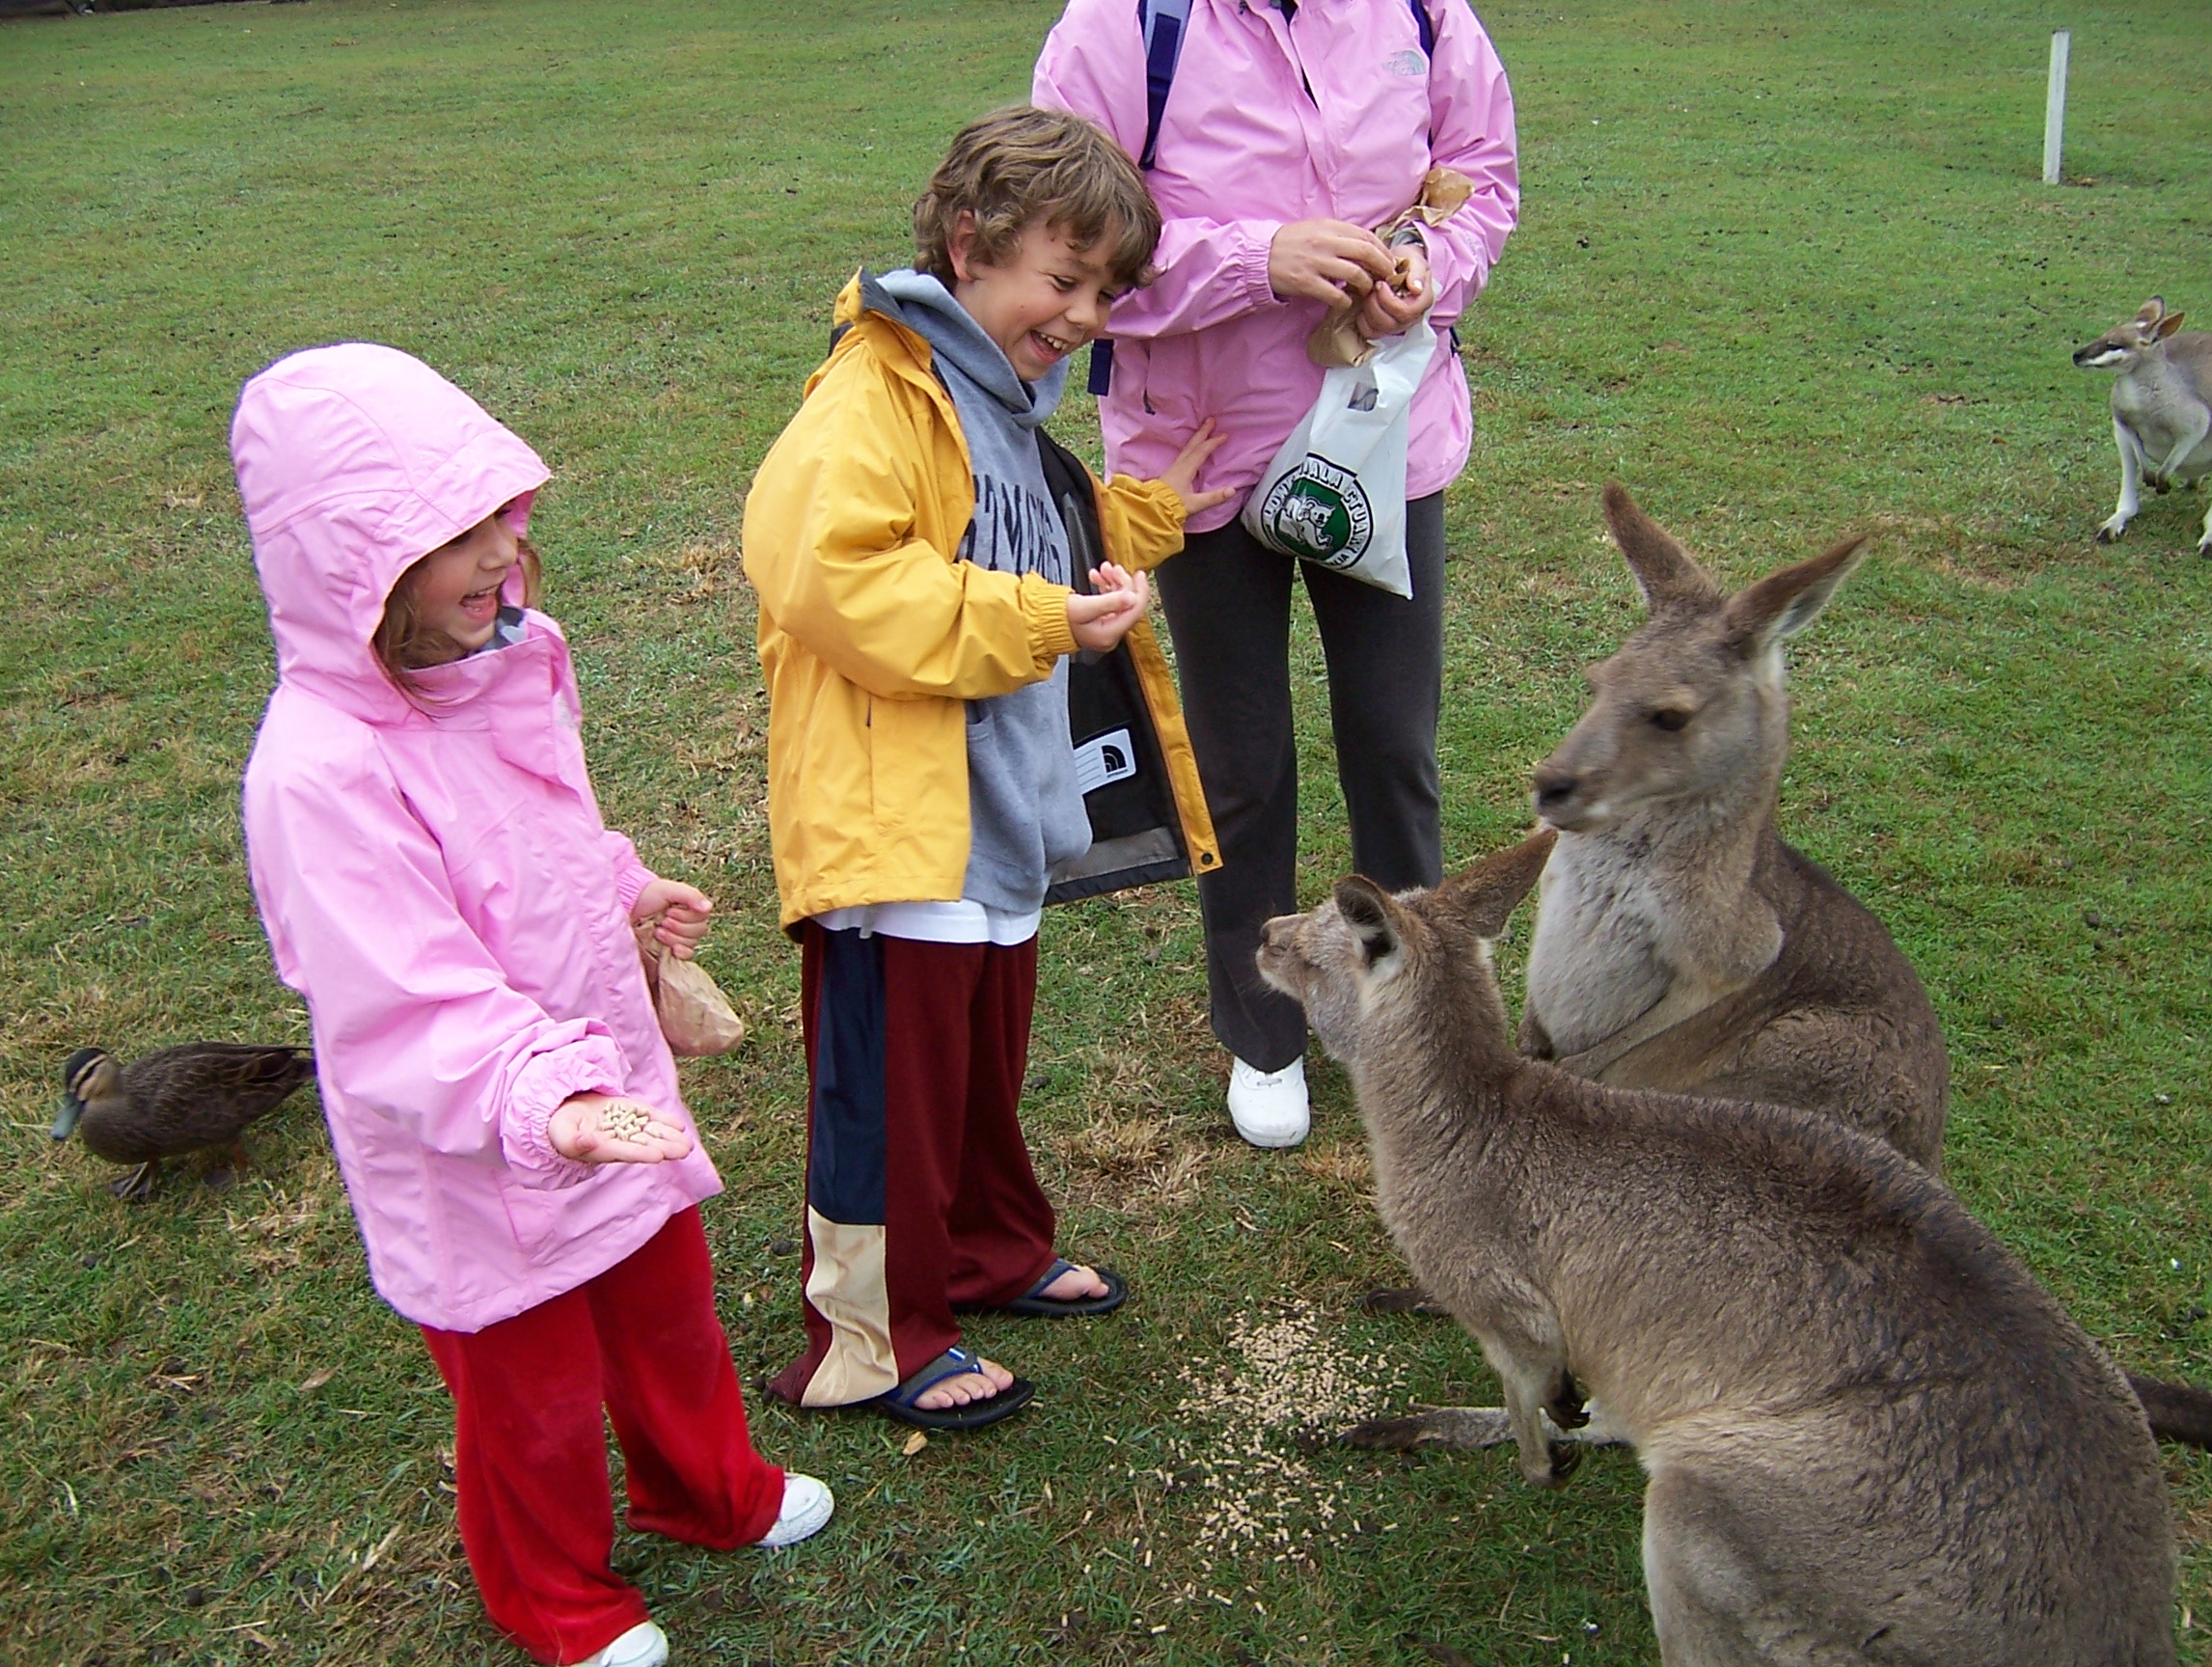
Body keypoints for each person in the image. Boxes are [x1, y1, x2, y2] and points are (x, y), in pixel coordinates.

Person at [233, 343, 830, 1667]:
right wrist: (544, 1100)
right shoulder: (319, 776)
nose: (503, 549)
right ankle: (555, 1597)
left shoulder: (512, 657)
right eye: (454, 533)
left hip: (600, 1082)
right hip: (476, 1144)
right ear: (349, 567)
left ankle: (707, 1492)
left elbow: (545, 832)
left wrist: (623, 889)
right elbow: (402, 998)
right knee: (533, 1395)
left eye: (504, 508)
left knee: (667, 1310)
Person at [742, 106, 1230, 1430]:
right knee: (892, 1094)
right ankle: (871, 1344)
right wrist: (1030, 623)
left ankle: (987, 1252)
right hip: (901, 826)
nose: (1080, 314)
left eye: (1103, 293)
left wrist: (1142, 517)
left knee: (975, 1070)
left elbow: (1026, 536)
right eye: (1062, 280)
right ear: (970, 244)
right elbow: (828, 573)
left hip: (993, 805)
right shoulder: (881, 391)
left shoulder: (1004, 401)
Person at [1035, 0, 1519, 1147]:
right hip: (1203, 466)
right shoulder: (1124, 27)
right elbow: (1062, 251)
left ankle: (1416, 1021)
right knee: (1241, 763)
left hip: (1382, 443)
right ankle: (1263, 1035)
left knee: (1394, 744)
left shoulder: (1420, 10)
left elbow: (1482, 174)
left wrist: (1429, 268)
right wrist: (1262, 259)